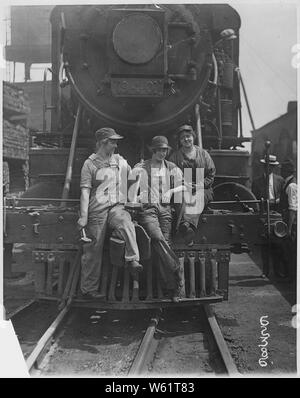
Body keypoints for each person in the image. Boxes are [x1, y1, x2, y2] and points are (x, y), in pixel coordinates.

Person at [78, 127, 142, 300]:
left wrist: (132, 197)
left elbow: (133, 176)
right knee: (93, 249)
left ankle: (133, 259)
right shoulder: (89, 164)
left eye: (115, 141)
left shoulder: (120, 161)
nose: (115, 145)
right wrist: (83, 217)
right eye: (112, 141)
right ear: (102, 143)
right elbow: (85, 191)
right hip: (96, 210)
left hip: (116, 207)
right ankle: (89, 290)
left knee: (125, 221)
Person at [134, 136, 184, 301]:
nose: (162, 153)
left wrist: (172, 191)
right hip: (149, 209)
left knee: (165, 243)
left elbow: (185, 184)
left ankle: (172, 288)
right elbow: (130, 182)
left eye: (165, 150)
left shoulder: (172, 167)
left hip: (165, 209)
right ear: (153, 150)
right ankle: (177, 268)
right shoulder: (143, 166)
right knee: (156, 237)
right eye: (159, 150)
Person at [169, 124, 216, 244]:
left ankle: (185, 224)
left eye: (188, 136)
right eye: (183, 137)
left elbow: (211, 174)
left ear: (193, 137)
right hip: (183, 189)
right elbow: (171, 176)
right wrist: (184, 184)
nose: (186, 139)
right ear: (180, 141)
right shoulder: (175, 157)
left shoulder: (203, 154)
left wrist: (199, 185)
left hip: (203, 188)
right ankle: (187, 227)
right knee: (181, 197)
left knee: (198, 196)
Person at [280, 159, 297, 281]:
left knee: (290, 250)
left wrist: (289, 229)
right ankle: (288, 274)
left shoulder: (291, 185)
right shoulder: (287, 183)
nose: (280, 171)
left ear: (287, 171)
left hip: (291, 223)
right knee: (285, 249)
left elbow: (292, 209)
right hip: (286, 219)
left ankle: (291, 276)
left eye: (282, 169)